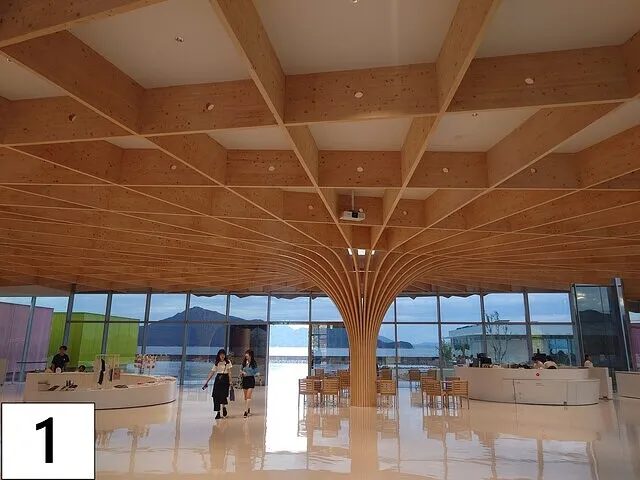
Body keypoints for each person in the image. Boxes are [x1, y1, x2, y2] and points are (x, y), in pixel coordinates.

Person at [204, 349, 231, 419]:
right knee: (215, 395)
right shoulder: (217, 363)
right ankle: (218, 412)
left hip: (225, 379)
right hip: (218, 379)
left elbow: (229, 372)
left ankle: (224, 407)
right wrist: (207, 381)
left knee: (223, 395)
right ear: (219, 355)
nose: (222, 356)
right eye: (221, 355)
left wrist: (230, 381)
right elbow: (212, 372)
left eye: (223, 355)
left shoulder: (228, 362)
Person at [240, 349, 258, 418]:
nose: (246, 356)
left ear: (250, 355)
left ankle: (246, 411)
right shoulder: (244, 363)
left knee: (248, 396)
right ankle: (248, 408)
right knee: (245, 397)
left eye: (247, 355)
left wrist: (256, 374)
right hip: (245, 380)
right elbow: (240, 370)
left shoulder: (254, 363)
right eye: (246, 355)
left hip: (251, 380)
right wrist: (243, 372)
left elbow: (256, 372)